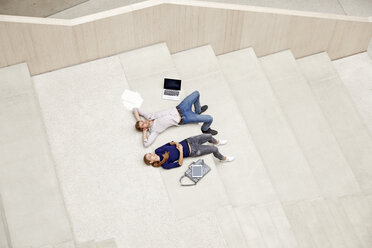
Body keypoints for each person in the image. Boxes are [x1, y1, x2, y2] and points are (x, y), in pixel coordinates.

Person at [133, 90, 218, 147]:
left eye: (142, 122)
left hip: (181, 108)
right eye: (142, 125)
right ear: (144, 128)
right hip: (185, 118)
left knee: (196, 93)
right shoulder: (154, 130)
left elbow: (135, 109)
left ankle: (198, 111)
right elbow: (146, 144)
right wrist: (144, 133)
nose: (144, 122)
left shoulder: (149, 116)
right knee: (210, 118)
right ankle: (205, 129)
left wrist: (138, 120)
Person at [143, 134, 234, 169]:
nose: (152, 154)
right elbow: (179, 164)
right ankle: (223, 158)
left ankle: (217, 142)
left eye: (150, 153)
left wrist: (176, 143)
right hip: (193, 151)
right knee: (214, 150)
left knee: (209, 136)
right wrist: (181, 151)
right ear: (151, 161)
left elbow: (169, 143)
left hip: (189, 141)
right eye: (150, 156)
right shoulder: (164, 165)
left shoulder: (157, 150)